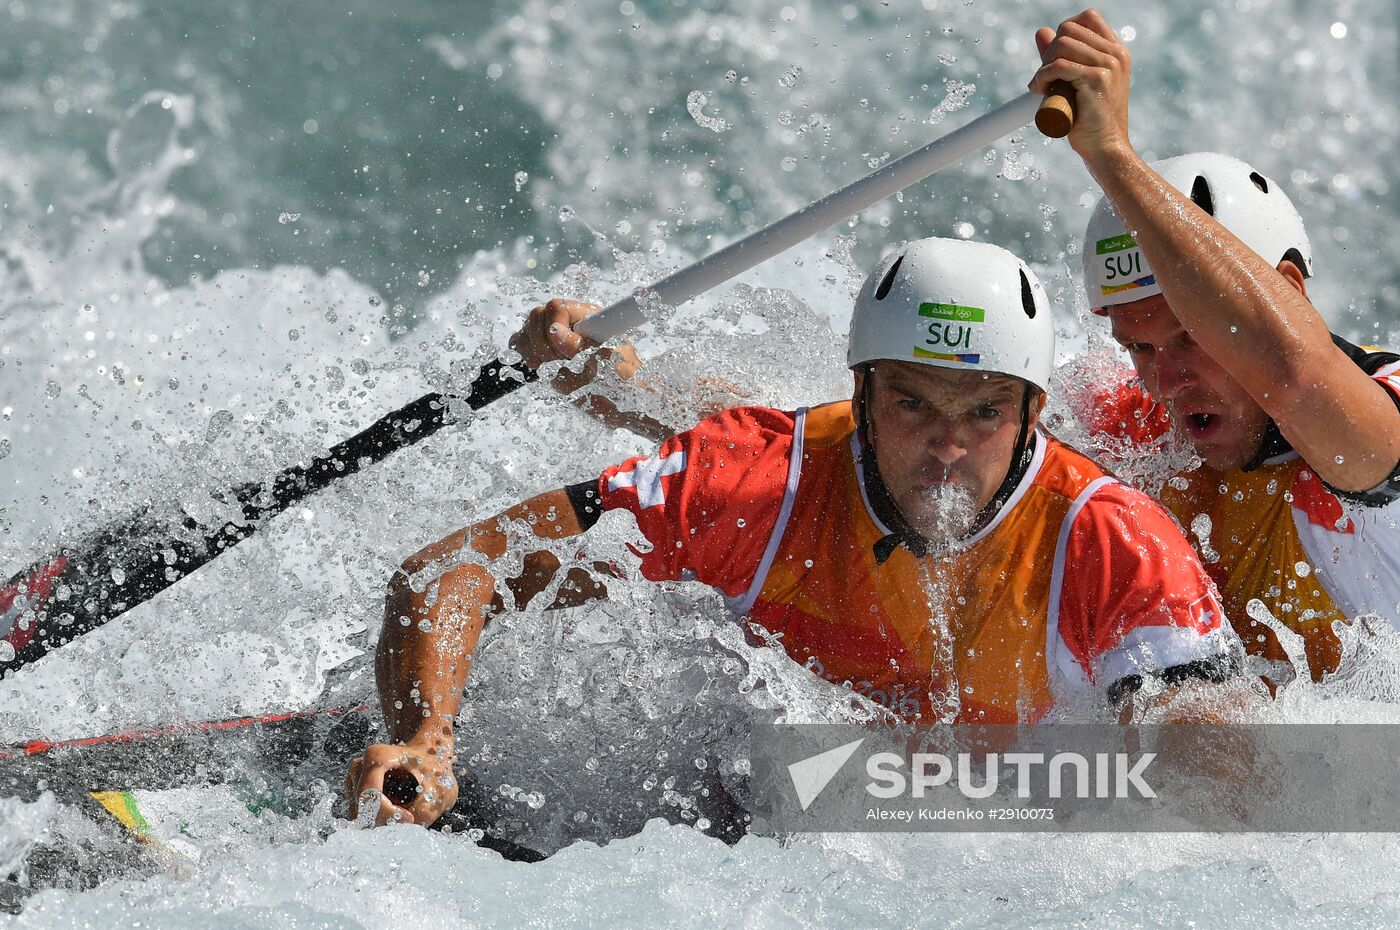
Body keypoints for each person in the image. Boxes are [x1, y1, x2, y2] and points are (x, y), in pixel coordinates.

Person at [344, 237, 1242, 829]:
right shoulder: (753, 480)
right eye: (911, 404)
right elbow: (454, 567)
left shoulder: (1116, 544)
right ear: (861, 396)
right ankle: (626, 386)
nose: (948, 448)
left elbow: (1228, 794)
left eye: (986, 412)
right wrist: (428, 738)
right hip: (751, 813)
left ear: (1035, 411)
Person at [1030, 10, 1400, 682]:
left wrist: (1111, 154)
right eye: (1138, 347)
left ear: (1289, 291)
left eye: (1191, 335)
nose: (1165, 381)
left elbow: (1295, 374)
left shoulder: (1377, 423)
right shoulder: (1132, 433)